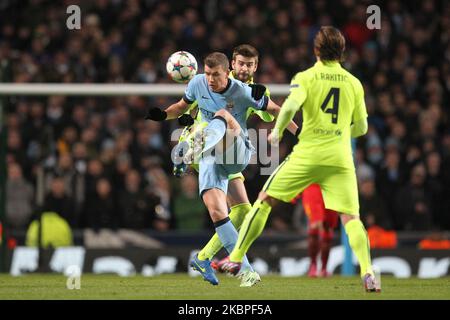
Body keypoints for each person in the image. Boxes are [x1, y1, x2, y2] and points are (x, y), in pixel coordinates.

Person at [218, 26, 381, 293]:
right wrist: (339, 134)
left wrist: (277, 133)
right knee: (351, 218)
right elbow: (362, 128)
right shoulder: (354, 83)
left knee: (264, 199)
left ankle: (236, 258)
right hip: (340, 159)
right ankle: (368, 271)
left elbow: (290, 107)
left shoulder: (306, 77)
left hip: (308, 154)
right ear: (342, 52)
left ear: (316, 50)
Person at [145, 51, 296, 287]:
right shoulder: (197, 83)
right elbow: (181, 106)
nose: (210, 79)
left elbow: (274, 112)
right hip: (208, 156)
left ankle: (194, 145)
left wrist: (302, 135)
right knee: (219, 212)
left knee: (223, 116)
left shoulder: (245, 90)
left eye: (215, 74)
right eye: (207, 74)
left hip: (236, 150)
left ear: (228, 73)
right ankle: (242, 270)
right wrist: (163, 115)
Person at [292, 184, 339, 277]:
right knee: (314, 226)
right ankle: (313, 265)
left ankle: (324, 268)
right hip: (313, 189)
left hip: (331, 189)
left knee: (327, 230)